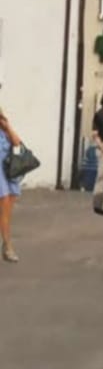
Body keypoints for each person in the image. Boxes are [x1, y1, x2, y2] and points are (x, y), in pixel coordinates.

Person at [0, 108, 22, 263]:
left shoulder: (3, 127)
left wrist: (7, 127)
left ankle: (5, 244)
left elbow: (17, 143)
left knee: (6, 212)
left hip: (8, 170)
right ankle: (8, 246)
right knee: (4, 206)